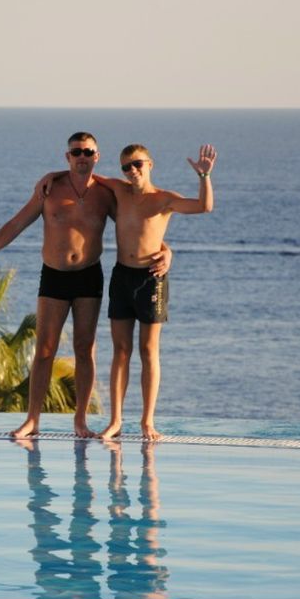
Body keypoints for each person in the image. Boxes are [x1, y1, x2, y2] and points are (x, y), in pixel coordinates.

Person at [0, 132, 170, 439]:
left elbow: (138, 226)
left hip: (89, 276)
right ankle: (32, 419)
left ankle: (80, 421)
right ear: (68, 156)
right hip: (55, 276)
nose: (82, 156)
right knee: (45, 350)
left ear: (96, 156)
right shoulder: (49, 189)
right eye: (76, 152)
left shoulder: (105, 194)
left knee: (84, 349)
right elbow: (18, 222)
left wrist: (167, 251)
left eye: (88, 151)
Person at [92, 143, 217, 441]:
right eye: (126, 166)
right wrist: (51, 177)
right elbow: (86, 173)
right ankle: (115, 421)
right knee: (121, 351)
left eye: (137, 164)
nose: (132, 170)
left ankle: (147, 421)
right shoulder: (119, 190)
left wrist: (204, 177)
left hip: (151, 278)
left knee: (148, 351)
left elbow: (204, 206)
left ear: (150, 164)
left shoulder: (164, 199)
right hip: (122, 276)